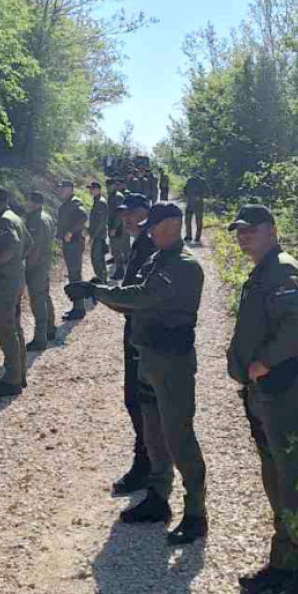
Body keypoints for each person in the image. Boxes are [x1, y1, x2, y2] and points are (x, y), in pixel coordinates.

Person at [68, 203, 208, 545]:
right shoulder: (157, 258)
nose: (147, 231)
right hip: (148, 357)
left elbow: (144, 297)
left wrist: (97, 291)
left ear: (173, 224)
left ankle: (196, 513)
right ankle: (159, 497)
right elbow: (132, 302)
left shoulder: (184, 265)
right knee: (154, 432)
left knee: (179, 436)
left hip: (171, 362)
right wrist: (98, 292)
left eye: (154, 225)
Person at [226, 204, 298, 594]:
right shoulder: (263, 270)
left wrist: (263, 361)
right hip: (264, 396)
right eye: (238, 231)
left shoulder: (283, 269)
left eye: (250, 230)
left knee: (296, 487)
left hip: (284, 394)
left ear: (272, 230)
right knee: (276, 482)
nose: (243, 236)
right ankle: (283, 566)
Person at [110, 194, 155, 495]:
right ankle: (148, 463)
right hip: (137, 332)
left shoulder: (151, 244)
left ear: (147, 212)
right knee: (136, 401)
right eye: (124, 213)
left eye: (133, 212)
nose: (127, 218)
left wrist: (102, 293)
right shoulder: (140, 242)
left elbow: (139, 296)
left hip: (146, 336)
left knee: (142, 402)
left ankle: (147, 467)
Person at [0, 187, 32, 398]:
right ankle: (19, 373)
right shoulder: (16, 218)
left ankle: (12, 380)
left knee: (6, 329)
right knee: (14, 326)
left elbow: (11, 247)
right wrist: (16, 264)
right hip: (15, 278)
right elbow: (28, 244)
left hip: (4, 281)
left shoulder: (3, 220)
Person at [24, 191, 57, 350]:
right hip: (45, 261)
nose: (27, 204)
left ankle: (40, 338)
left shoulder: (35, 220)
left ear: (34, 203)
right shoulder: (47, 215)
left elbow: (34, 247)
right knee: (45, 296)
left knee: (37, 300)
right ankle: (50, 329)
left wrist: (28, 268)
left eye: (29, 201)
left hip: (37, 264)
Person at [56, 180, 88, 320]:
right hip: (70, 244)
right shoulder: (68, 204)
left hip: (74, 244)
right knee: (73, 275)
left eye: (62, 189)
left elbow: (83, 217)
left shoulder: (75, 203)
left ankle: (79, 308)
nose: (60, 191)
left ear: (69, 189)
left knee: (75, 276)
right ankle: (78, 306)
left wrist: (70, 232)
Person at [107, 179, 130, 280]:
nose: (108, 187)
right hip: (116, 226)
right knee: (116, 249)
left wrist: (114, 228)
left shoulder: (117, 197)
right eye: (108, 185)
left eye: (110, 185)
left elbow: (119, 214)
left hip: (118, 227)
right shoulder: (113, 196)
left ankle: (120, 271)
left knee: (117, 249)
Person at [88, 181, 108, 281]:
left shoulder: (100, 202)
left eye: (92, 189)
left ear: (98, 190)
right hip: (98, 235)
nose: (90, 191)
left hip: (99, 236)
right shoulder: (97, 201)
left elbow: (101, 222)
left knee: (97, 259)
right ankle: (103, 278)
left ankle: (102, 279)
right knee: (99, 258)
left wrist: (93, 236)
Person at [184, 173, 207, 242]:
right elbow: (185, 190)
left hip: (198, 205)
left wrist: (200, 196)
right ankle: (188, 236)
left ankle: (197, 237)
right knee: (187, 220)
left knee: (199, 221)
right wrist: (188, 196)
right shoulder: (190, 181)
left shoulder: (202, 181)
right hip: (190, 203)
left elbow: (207, 192)